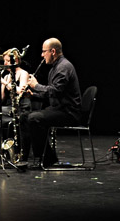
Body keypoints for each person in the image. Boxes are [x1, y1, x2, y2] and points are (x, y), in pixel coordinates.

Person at [23, 38, 81, 167]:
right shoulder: (55, 68)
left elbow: (55, 91)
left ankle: (47, 159)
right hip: (59, 109)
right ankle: (24, 157)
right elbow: (50, 93)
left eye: (44, 51)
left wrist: (36, 85)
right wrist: (32, 96)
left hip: (69, 112)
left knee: (34, 119)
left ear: (53, 51)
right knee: (25, 117)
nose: (42, 55)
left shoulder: (63, 67)